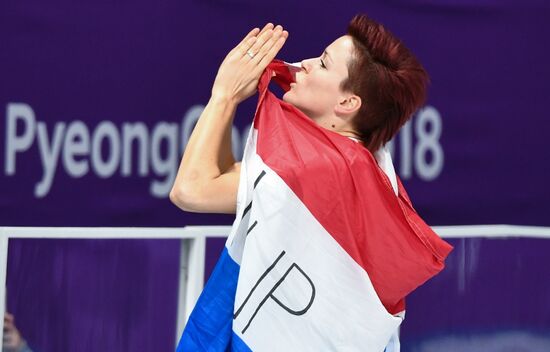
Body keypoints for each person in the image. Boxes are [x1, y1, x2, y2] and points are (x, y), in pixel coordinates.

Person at [171, 14, 450, 351]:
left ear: (347, 103)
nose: (303, 64)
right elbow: (223, 176)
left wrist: (224, 95)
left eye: (322, 63)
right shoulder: (363, 168)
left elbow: (191, 190)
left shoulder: (315, 170)